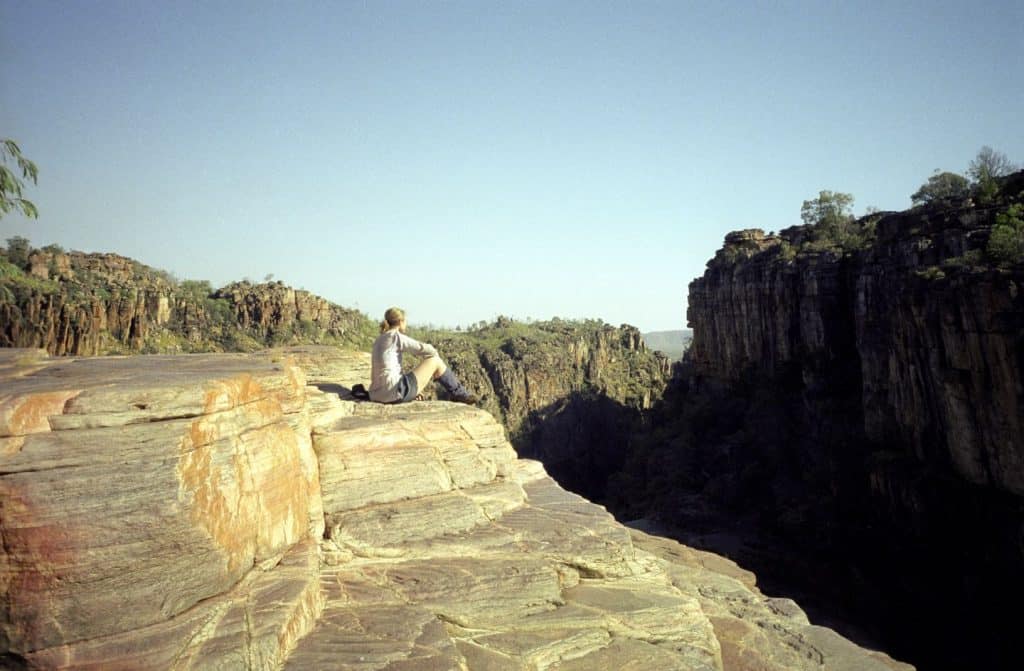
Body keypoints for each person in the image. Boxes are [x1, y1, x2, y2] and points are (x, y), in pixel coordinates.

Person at [369, 307, 477, 404]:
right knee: (435, 361)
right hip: (392, 393)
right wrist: (435, 356)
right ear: (401, 321)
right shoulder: (395, 336)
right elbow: (422, 348)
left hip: (375, 394)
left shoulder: (380, 339)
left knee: (414, 374)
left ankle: (459, 394)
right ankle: (461, 394)